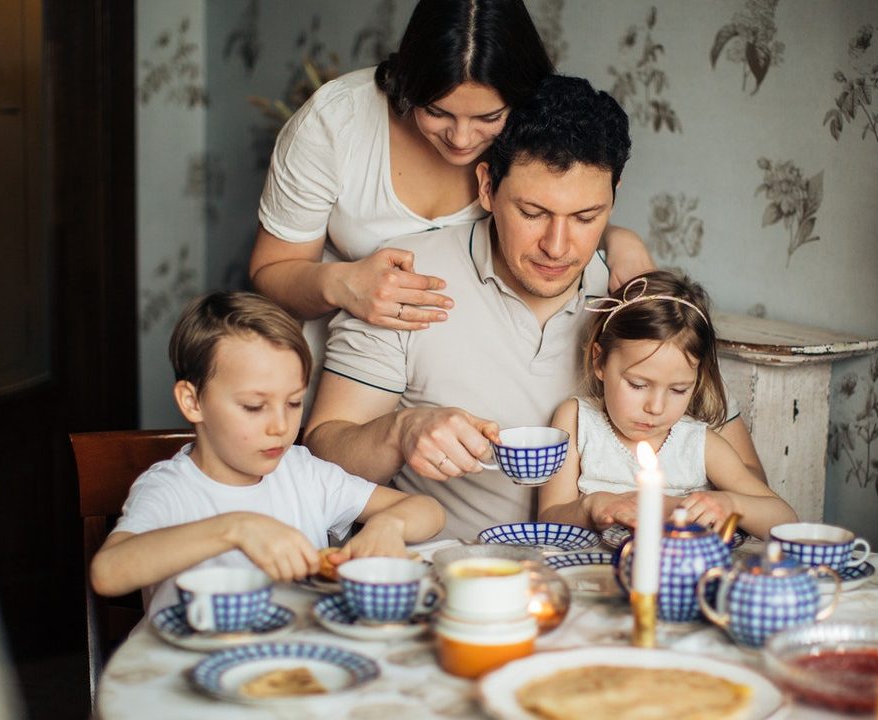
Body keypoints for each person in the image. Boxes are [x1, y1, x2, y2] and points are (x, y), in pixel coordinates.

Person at [305, 74, 766, 541]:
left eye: (586, 217)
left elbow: (749, 483)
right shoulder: (407, 278)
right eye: (532, 213)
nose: (558, 246)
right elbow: (323, 452)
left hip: (606, 580)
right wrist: (400, 432)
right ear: (487, 187)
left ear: (614, 197)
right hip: (455, 571)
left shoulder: (636, 297)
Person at [249, 0, 653, 387]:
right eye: (437, 112)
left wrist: (617, 238)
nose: (461, 139)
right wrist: (342, 284)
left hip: (461, 378)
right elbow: (271, 271)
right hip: (343, 373)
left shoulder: (522, 136)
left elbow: (556, 206)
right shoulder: (336, 124)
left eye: (488, 117)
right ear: (409, 84)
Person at [89, 292, 445, 615]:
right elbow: (108, 574)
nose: (280, 426)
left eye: (293, 403)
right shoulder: (171, 489)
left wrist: (389, 525)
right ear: (192, 401)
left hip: (291, 667)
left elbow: (428, 510)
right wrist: (233, 529)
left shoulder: (303, 473)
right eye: (254, 406)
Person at [537, 271, 797, 538]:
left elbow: (786, 521)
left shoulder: (699, 444)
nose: (656, 407)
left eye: (678, 389)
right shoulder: (576, 421)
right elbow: (548, 519)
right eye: (638, 385)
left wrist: (732, 503)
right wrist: (589, 506)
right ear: (600, 361)